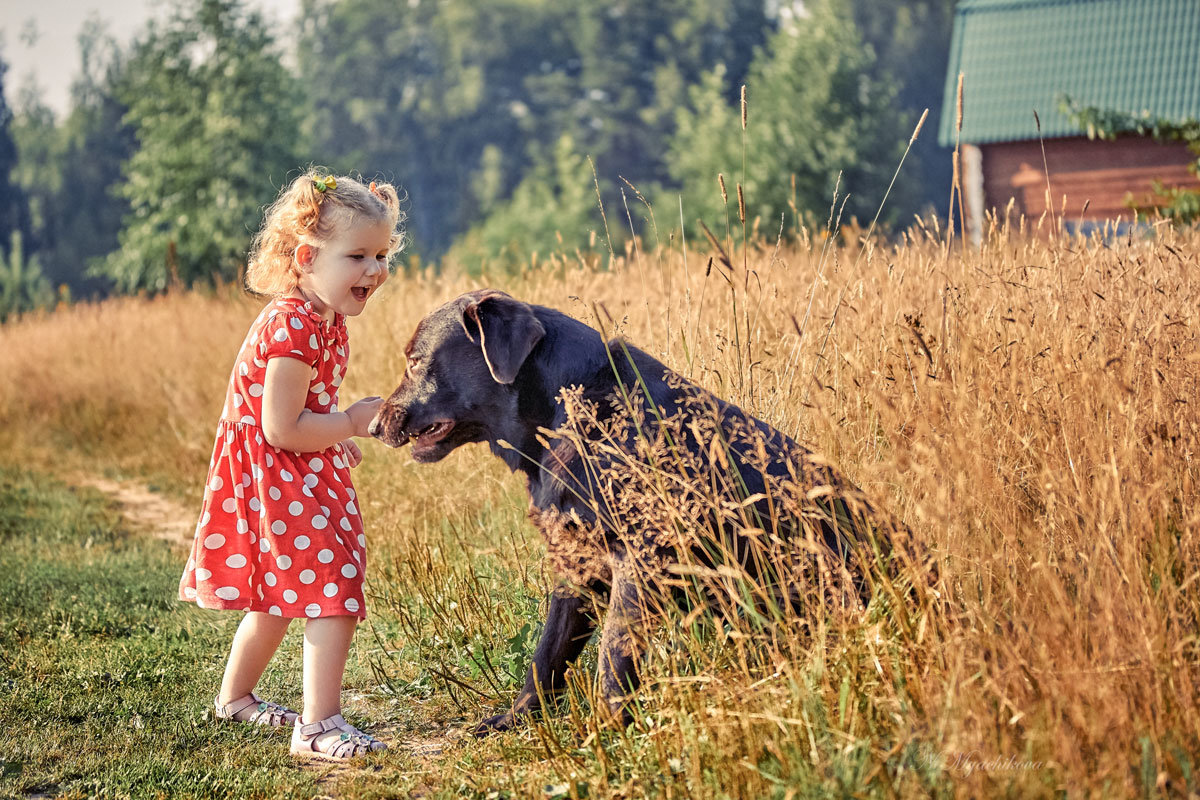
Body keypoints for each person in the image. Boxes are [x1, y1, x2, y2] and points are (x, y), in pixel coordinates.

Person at [179, 170, 402, 761]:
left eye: (382, 255)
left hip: (295, 469)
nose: (375, 270)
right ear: (306, 257)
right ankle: (319, 724)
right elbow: (280, 428)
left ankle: (235, 700)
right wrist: (350, 423)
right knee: (331, 583)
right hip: (277, 473)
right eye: (357, 255)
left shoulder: (323, 319)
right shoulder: (293, 326)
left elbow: (302, 413)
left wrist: (332, 436)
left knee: (283, 593)